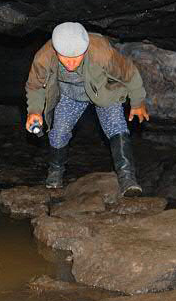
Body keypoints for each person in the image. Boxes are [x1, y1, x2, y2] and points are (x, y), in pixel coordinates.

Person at [24, 22, 150, 196]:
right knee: (59, 131)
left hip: (104, 91)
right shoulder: (44, 57)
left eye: (76, 58)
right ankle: (55, 172)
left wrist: (137, 102)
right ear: (56, 50)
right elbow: (35, 86)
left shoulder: (101, 51)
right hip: (70, 95)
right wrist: (34, 111)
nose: (70, 64)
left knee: (116, 127)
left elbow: (129, 73)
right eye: (65, 58)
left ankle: (127, 179)